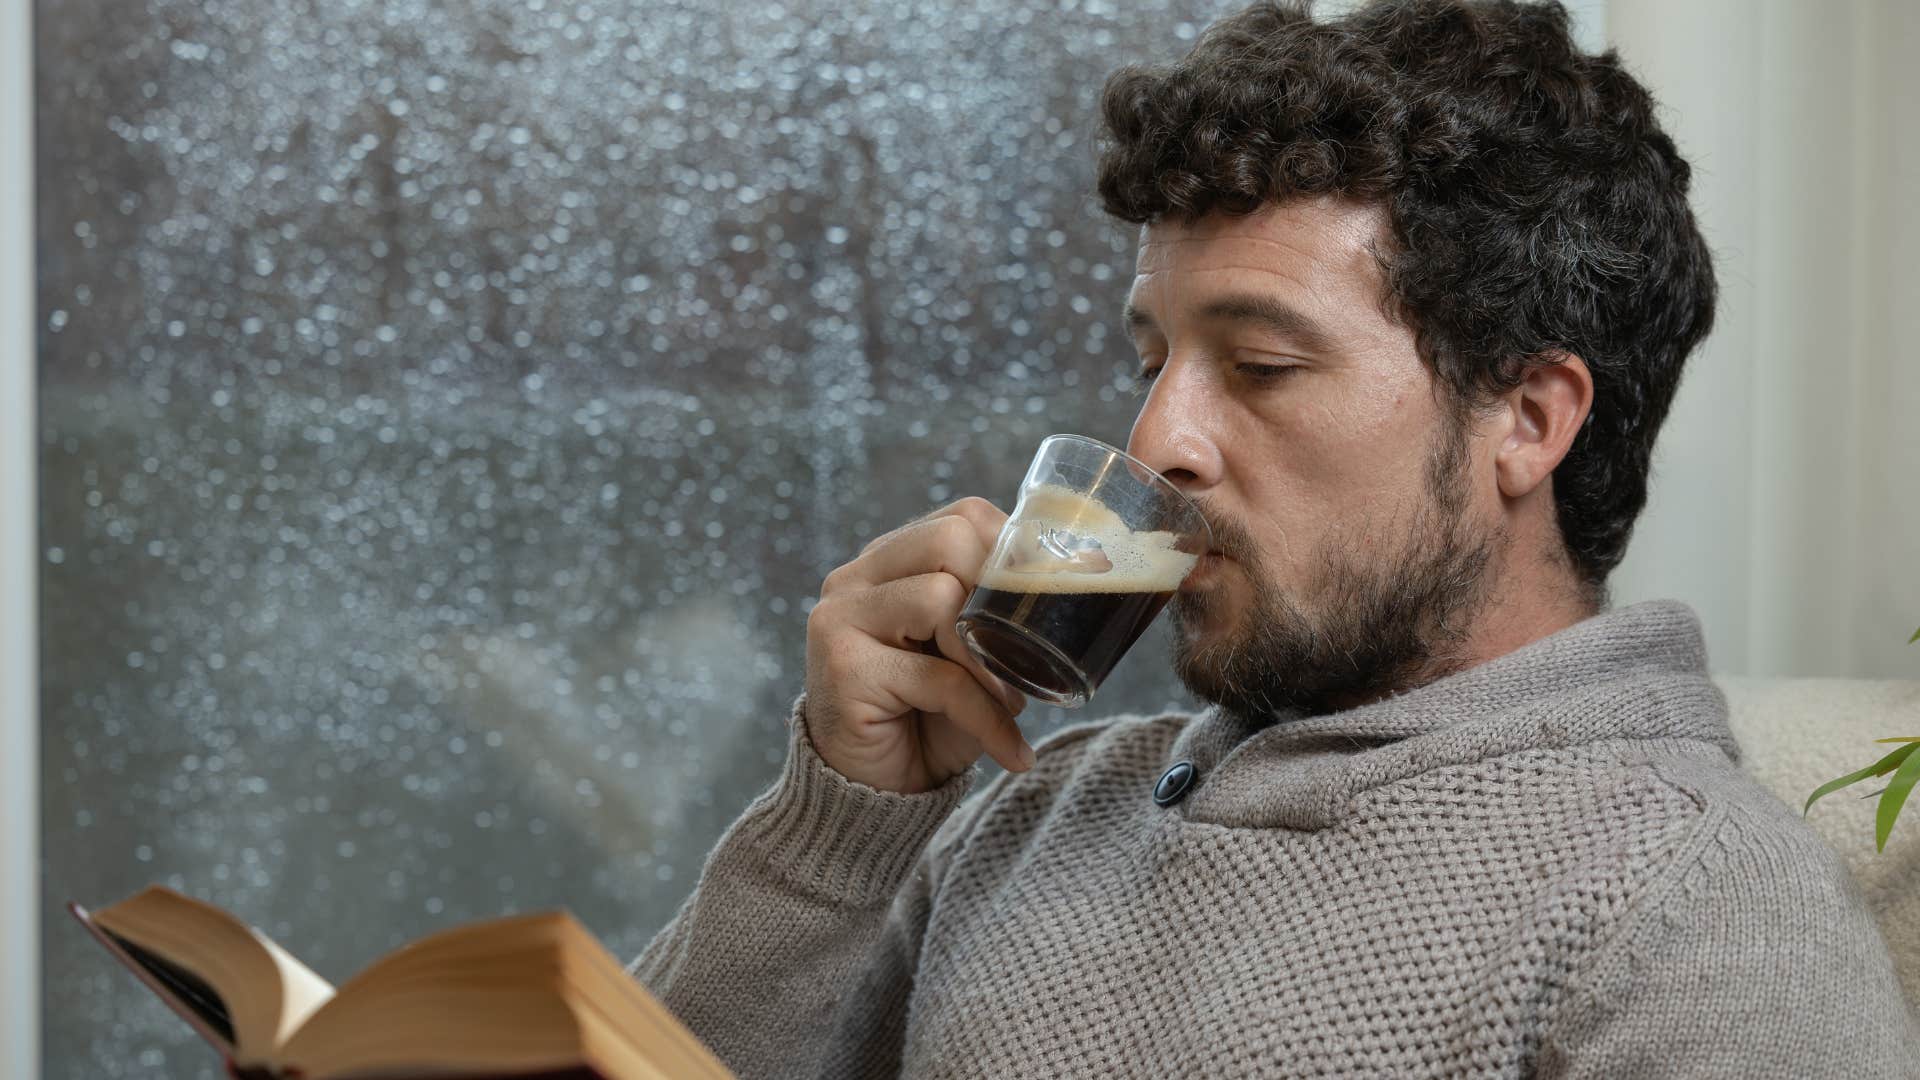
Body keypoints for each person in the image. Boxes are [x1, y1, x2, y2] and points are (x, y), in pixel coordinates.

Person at [629, 1, 1918, 1075]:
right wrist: (837, 834)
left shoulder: (1691, 916)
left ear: (1525, 421)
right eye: (1153, 359)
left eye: (1257, 363)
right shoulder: (1037, 808)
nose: (1154, 445)